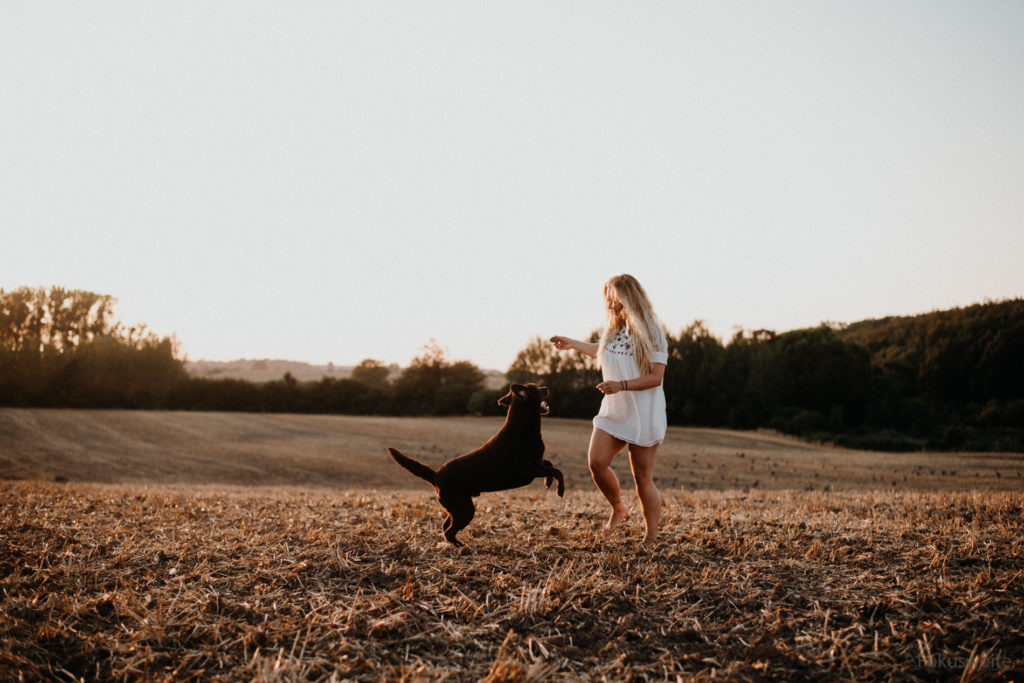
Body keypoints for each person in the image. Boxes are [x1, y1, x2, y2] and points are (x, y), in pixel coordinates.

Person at [551, 274, 668, 546]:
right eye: (607, 300)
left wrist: (621, 384)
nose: (609, 305)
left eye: (613, 299)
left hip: (643, 414)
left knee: (642, 478)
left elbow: (656, 377)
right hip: (614, 412)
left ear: (628, 297)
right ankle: (618, 507)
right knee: (596, 463)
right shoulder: (615, 329)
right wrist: (573, 344)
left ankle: (651, 539)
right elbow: (602, 351)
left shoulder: (652, 331)